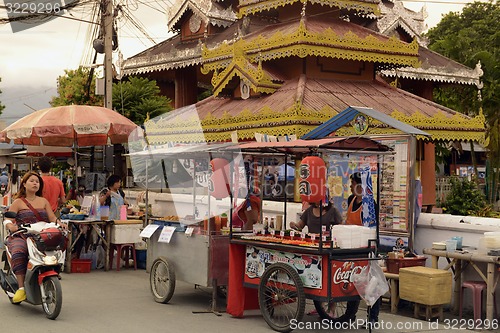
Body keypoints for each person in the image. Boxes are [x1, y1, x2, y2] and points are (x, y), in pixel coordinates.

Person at [3, 171, 66, 303]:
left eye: (37, 181)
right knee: (19, 251)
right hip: (22, 235)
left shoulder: (44, 201)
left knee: (59, 244)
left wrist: (60, 224)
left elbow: (52, 218)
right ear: (24, 184)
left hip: (41, 235)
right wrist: (10, 226)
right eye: (32, 181)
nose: (35, 183)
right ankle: (21, 288)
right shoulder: (18, 202)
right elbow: (7, 219)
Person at [346, 172, 381, 324]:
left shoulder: (370, 205)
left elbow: (373, 227)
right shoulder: (350, 200)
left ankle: (372, 317)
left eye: (353, 184)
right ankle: (350, 315)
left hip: (366, 248)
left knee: (370, 284)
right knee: (351, 280)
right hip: (351, 246)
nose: (351, 186)